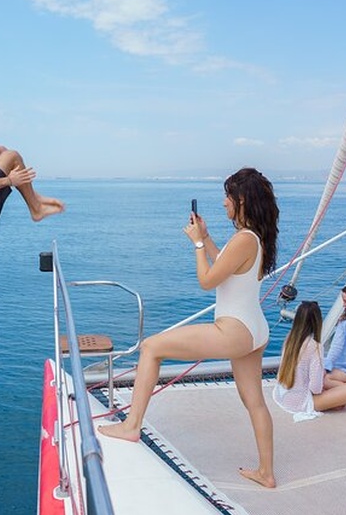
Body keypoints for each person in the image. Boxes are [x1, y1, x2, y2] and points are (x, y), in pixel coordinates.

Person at [98, 167, 279, 489]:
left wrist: (197, 245)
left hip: (234, 330)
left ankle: (131, 425)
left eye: (227, 197)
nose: (223, 203)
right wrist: (207, 238)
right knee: (255, 402)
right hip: (255, 330)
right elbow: (229, 268)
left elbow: (208, 281)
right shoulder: (256, 237)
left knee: (151, 347)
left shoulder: (243, 239)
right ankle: (266, 472)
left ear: (241, 200)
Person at [273, 301, 346, 422]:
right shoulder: (314, 346)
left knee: (327, 380)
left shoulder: (290, 338)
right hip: (301, 401)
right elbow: (315, 388)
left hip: (282, 395)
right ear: (317, 321)